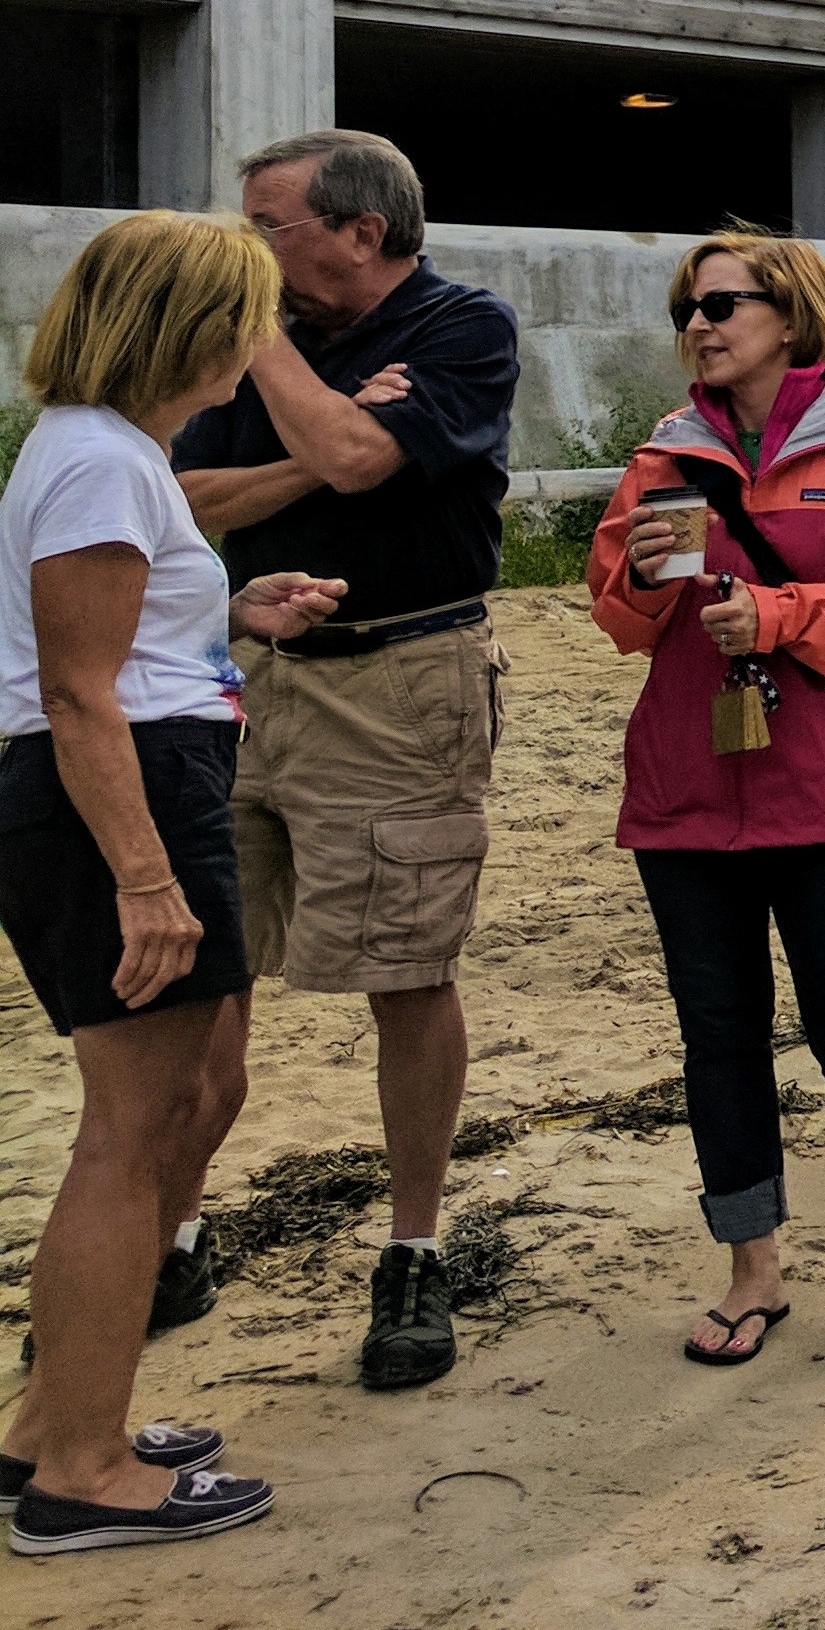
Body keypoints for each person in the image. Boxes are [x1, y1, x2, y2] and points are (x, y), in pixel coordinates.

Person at [2, 215, 341, 1553]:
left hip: (142, 774)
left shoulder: (105, 455)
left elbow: (109, 652)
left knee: (175, 1102)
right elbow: (79, 693)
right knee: (132, 1133)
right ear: (190, 330)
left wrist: (231, 615)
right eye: (245, 327)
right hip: (121, 799)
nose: (255, 357)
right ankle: (81, 1467)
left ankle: (49, 1423)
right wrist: (146, 880)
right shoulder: (96, 459)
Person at [169, 128, 518, 1396]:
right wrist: (307, 446)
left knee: (408, 969)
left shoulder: (462, 328)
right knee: (211, 963)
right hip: (247, 682)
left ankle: (414, 1249)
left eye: (269, 228)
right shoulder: (274, 355)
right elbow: (183, 497)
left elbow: (371, 461)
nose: (246, 249)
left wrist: (265, 347)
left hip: (404, 681)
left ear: (360, 232)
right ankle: (172, 1232)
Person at [589, 231, 825, 1373]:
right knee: (720, 1038)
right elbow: (615, 617)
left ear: (791, 317)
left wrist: (783, 615)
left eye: (723, 305)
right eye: (688, 311)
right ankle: (753, 1268)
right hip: (687, 792)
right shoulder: (664, 455)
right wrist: (646, 583)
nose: (701, 325)